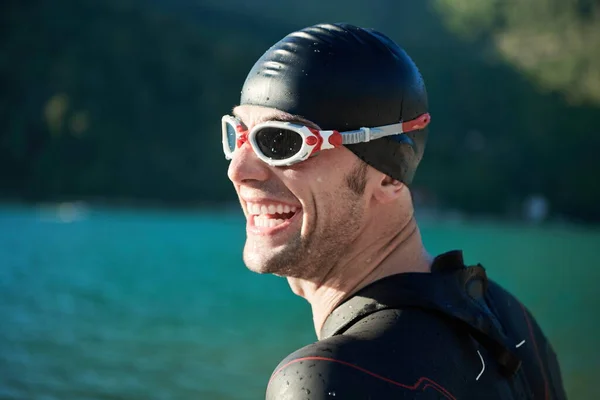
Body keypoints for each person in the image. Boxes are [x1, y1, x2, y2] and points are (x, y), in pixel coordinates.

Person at [222, 23, 567, 399]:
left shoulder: (328, 381)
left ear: (389, 176)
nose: (238, 170)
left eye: (282, 141)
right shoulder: (510, 322)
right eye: (238, 135)